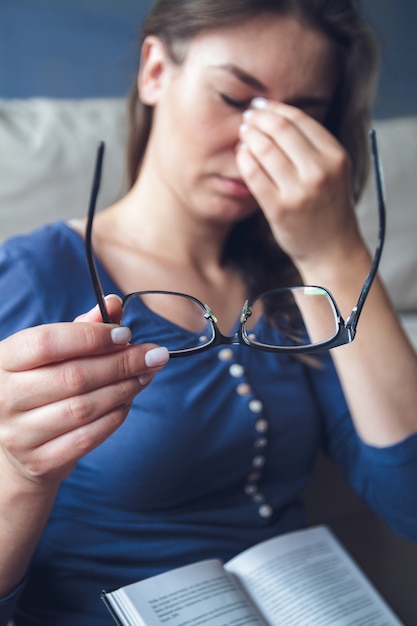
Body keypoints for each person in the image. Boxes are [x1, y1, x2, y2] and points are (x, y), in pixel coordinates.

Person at [1, 0, 417, 623]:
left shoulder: (295, 295)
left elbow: (408, 499)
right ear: (155, 71)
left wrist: (337, 251)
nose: (258, 145)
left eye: (302, 118)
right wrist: (16, 474)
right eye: (233, 97)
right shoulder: (31, 280)